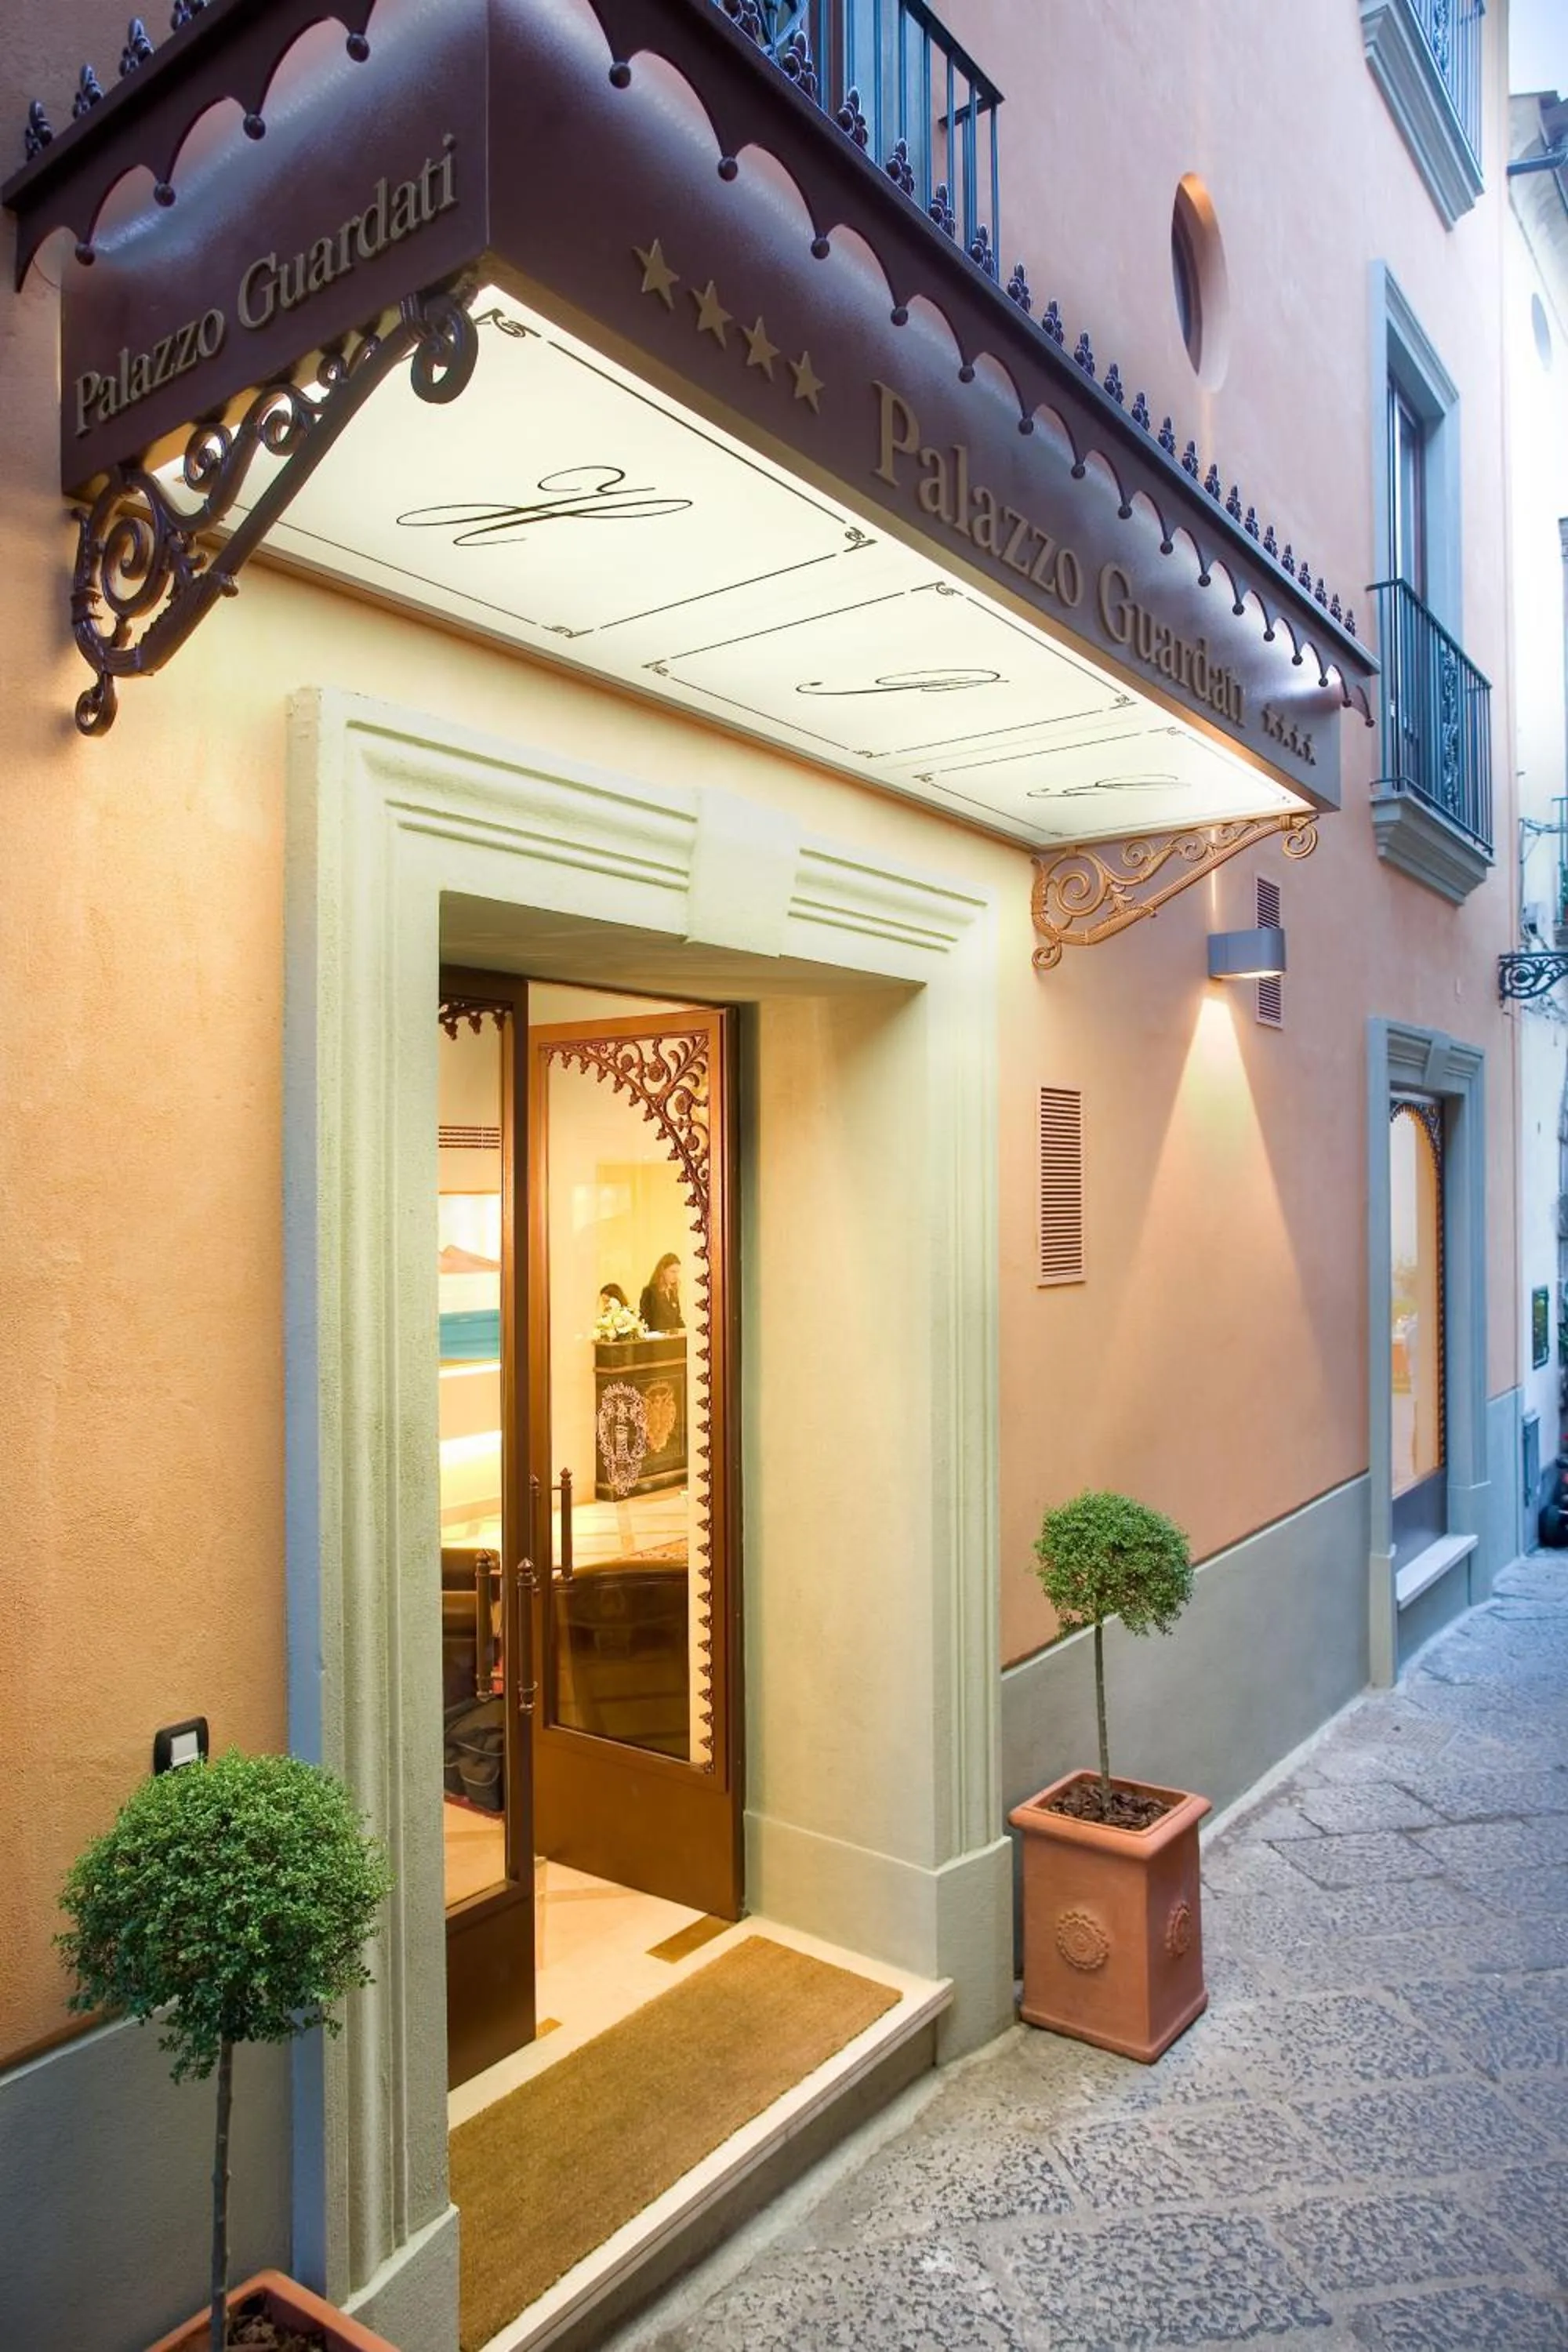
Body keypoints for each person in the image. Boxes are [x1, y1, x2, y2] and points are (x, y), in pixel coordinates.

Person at [639, 1253, 682, 1332]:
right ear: (662, 1271)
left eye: (677, 1272)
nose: (676, 1276)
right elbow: (645, 1320)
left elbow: (677, 1319)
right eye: (673, 1272)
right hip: (657, 1340)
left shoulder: (672, 1292)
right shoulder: (649, 1291)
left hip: (673, 1339)